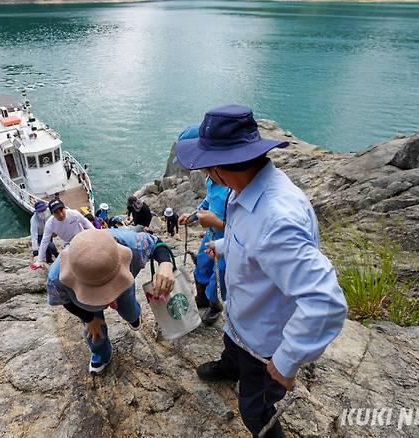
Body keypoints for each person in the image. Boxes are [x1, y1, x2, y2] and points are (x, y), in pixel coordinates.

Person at [175, 104, 348, 438]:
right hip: (242, 322)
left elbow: (325, 301)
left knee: (254, 410)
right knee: (231, 348)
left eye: (206, 167)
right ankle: (229, 367)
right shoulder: (251, 189)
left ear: (219, 169)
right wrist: (224, 246)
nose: (205, 174)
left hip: (264, 342)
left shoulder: (276, 220)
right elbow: (251, 241)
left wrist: (285, 362)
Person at [46, 228, 175, 374]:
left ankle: (133, 316)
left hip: (123, 287)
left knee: (130, 310)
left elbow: (157, 244)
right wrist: (89, 319)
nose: (109, 301)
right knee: (95, 331)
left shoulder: (133, 244)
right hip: (87, 306)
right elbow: (65, 301)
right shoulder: (56, 278)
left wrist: (165, 264)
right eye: (99, 293)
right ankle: (101, 353)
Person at [176, 124, 231, 324]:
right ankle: (201, 296)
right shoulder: (211, 179)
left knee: (218, 276)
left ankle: (215, 304)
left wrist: (217, 222)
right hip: (210, 236)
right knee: (202, 266)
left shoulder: (231, 186)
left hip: (226, 242)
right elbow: (207, 201)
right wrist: (192, 215)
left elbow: (244, 227)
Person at [35, 199, 95, 267]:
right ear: (52, 214)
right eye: (56, 212)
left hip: (82, 238)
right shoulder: (50, 224)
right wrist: (39, 260)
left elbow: (85, 222)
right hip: (68, 245)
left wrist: (96, 232)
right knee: (52, 276)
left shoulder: (74, 213)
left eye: (61, 210)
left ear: (65, 208)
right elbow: (45, 241)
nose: (60, 214)